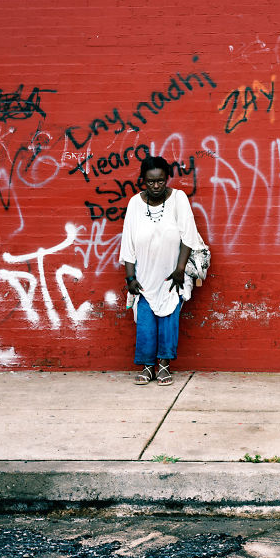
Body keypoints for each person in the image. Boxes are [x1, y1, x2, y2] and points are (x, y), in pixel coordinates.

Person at [119, 156, 200, 386]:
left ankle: (164, 366)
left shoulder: (179, 199)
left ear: (167, 179)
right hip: (144, 277)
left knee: (168, 320)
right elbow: (128, 244)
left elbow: (188, 236)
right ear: (143, 181)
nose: (156, 186)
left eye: (160, 181)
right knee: (145, 321)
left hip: (171, 276)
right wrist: (130, 277)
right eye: (150, 182)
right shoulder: (135, 203)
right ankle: (147, 366)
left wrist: (180, 269)